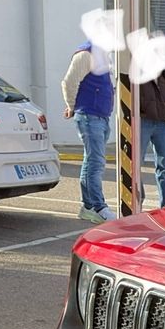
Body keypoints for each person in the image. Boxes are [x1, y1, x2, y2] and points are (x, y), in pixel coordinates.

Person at [61, 41, 115, 224]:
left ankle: (88, 207)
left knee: (90, 160)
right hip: (89, 116)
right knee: (96, 162)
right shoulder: (86, 54)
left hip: (100, 117)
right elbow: (69, 82)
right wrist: (72, 106)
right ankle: (98, 207)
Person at [138, 68, 165, 209]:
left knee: (164, 164)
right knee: (136, 163)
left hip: (162, 123)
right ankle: (138, 198)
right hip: (143, 121)